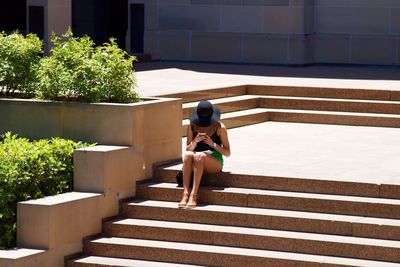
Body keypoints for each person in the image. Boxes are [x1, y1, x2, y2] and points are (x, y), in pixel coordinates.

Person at [179, 100, 231, 209]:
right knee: (189, 155)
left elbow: (227, 153)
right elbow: (187, 149)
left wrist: (212, 144)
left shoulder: (220, 127)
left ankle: (194, 195)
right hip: (196, 160)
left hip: (214, 162)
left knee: (199, 156)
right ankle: (185, 193)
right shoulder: (192, 126)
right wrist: (195, 142)